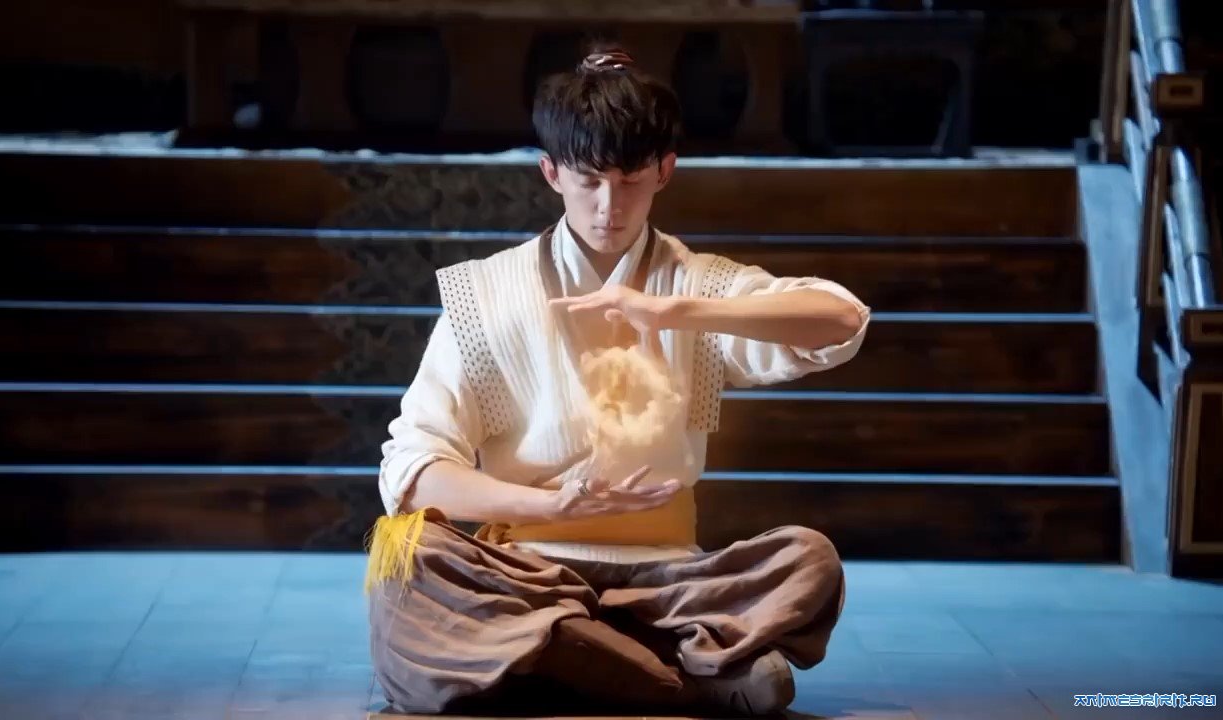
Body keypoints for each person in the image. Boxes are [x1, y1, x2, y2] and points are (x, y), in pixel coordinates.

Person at [367, 44, 870, 716]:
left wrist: (675, 311)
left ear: (665, 171)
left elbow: (840, 318)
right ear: (551, 172)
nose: (610, 205)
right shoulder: (484, 295)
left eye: (631, 180)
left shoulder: (696, 285)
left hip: (669, 580)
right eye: (589, 180)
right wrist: (553, 507)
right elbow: (412, 471)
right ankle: (685, 676)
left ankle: (568, 653)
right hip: (529, 571)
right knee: (413, 562)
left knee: (808, 561)